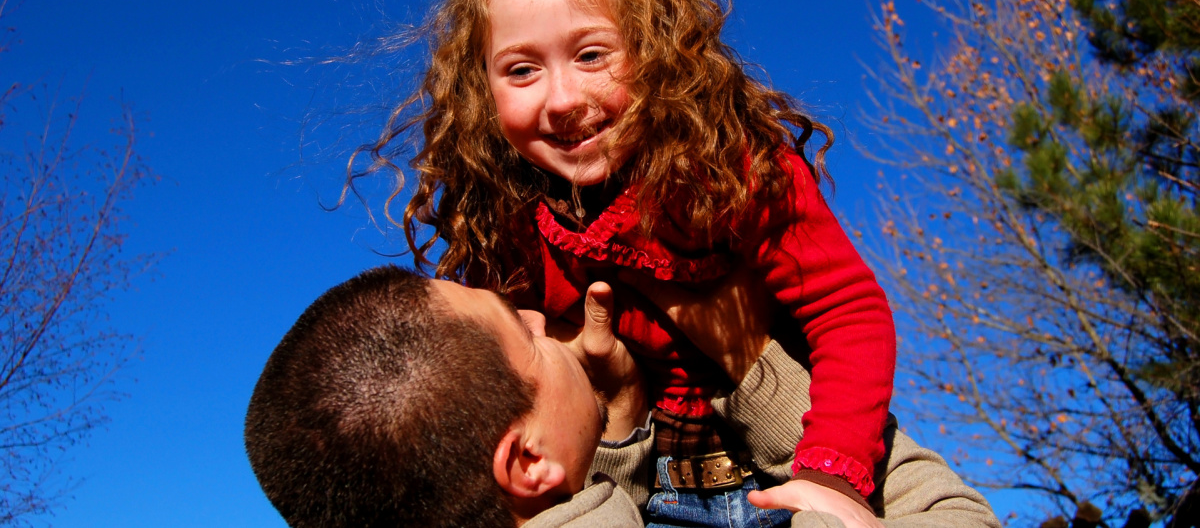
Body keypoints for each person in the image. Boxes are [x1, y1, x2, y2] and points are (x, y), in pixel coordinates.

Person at [356, 0, 894, 526]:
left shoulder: (733, 165)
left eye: (591, 55)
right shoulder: (507, 225)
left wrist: (832, 476)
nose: (560, 99)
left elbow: (848, 312)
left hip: (785, 475)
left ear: (657, 49)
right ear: (480, 88)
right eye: (521, 70)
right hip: (639, 496)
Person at [245, 266, 999, 528]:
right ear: (528, 459)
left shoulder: (550, 473)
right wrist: (753, 369)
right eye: (524, 330)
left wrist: (622, 421)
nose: (544, 315)